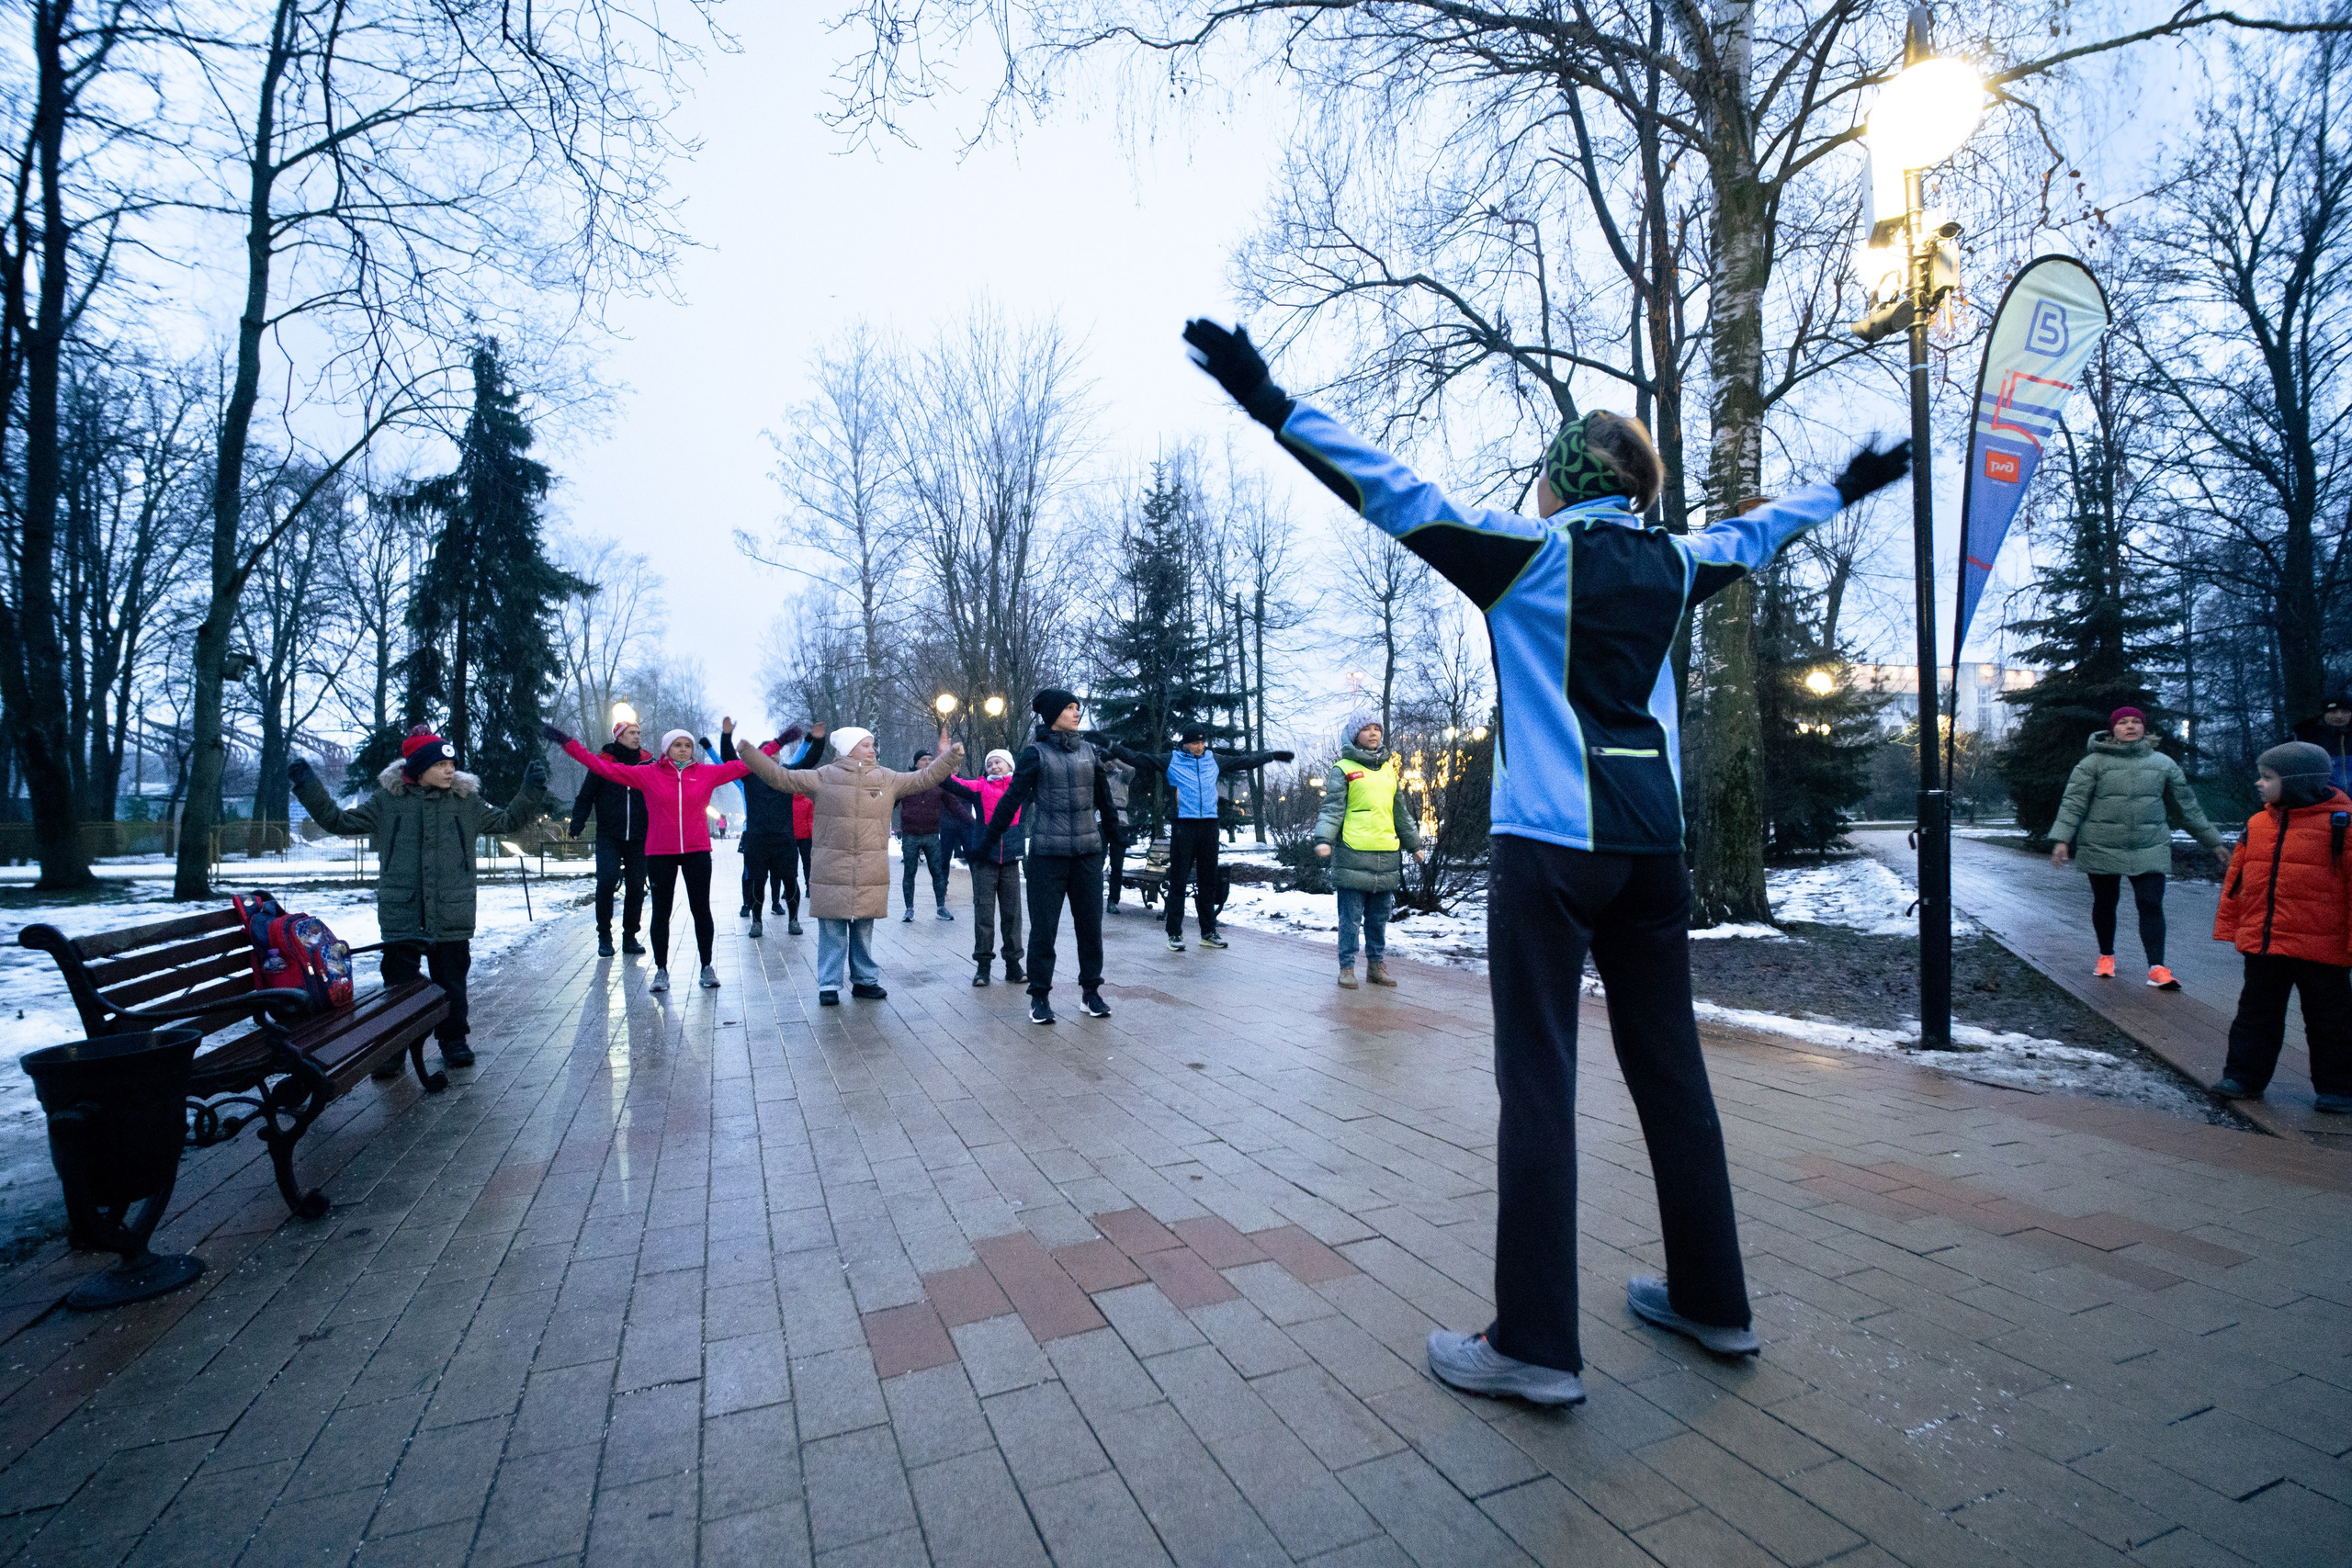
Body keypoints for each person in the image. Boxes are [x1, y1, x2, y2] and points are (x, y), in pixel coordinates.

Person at [1181, 315, 1912, 1407]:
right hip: (1651, 852)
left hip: (1550, 850)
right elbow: (1761, 531)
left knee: (1539, 1084)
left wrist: (1268, 400)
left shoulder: (1524, 556)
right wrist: (1847, 486)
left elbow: (1390, 490)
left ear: (1559, 482)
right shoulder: (1677, 560)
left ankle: (1533, 1343)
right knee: (1673, 1074)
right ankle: (1714, 1302)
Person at [289, 728, 551, 1072]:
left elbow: (507, 820)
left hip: (451, 909)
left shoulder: (466, 800)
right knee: (398, 986)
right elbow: (337, 821)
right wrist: (308, 785)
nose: (449, 770)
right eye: (441, 763)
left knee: (451, 983)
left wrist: (530, 790)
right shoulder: (387, 800)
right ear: (419, 767)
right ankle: (393, 1050)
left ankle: (453, 1040)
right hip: (403, 911)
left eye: (452, 763)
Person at [732, 725, 963, 1004]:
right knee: (832, 930)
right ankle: (829, 985)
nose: (872, 749)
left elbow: (926, 777)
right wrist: (749, 754)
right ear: (848, 748)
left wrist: (949, 756)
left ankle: (865, 981)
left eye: (872, 744)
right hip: (832, 868)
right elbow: (779, 777)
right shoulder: (822, 777)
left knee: (864, 928)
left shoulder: (887, 778)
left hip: (869, 867)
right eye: (866, 744)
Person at [548, 716, 752, 994]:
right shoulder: (648, 773)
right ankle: (661, 970)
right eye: (677, 745)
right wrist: (566, 742)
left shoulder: (705, 773)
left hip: (697, 851)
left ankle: (706, 966)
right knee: (661, 911)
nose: (683, 750)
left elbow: (746, 766)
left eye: (687, 746)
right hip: (660, 851)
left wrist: (775, 745)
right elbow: (599, 766)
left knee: (701, 910)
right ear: (667, 749)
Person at [2211, 740, 2351, 1114]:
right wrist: (2237, 927)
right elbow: (2239, 879)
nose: (2258, 783)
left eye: (2267, 777)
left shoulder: (2342, 825)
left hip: (2323, 947)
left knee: (2330, 1021)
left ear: (2297, 782)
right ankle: (2243, 1077)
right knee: (2255, 1014)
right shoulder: (2259, 823)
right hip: (2265, 942)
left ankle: (2338, 1088)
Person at [2047, 706, 2230, 989]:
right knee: (2106, 903)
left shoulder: (2164, 764)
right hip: (2102, 844)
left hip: (2150, 844)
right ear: (2113, 730)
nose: (2130, 727)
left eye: (2136, 722)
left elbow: (2187, 808)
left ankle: (2157, 967)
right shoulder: (2092, 763)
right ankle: (2106, 956)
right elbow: (2074, 803)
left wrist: (2214, 843)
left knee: (2150, 902)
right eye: (2123, 722)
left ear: (2145, 729)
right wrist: (2062, 840)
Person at [977, 689, 1117, 1025]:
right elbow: (1011, 801)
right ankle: (1039, 997)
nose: (1075, 713)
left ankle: (1091, 993)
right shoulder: (1034, 755)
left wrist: (1115, 837)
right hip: (1046, 856)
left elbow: (1105, 800)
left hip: (1086, 855)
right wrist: (987, 841)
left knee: (1090, 929)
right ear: (1052, 714)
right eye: (1069, 708)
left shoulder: (1089, 753)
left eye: (1077, 708)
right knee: (1044, 931)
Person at [1110, 728, 1292, 951]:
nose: (1200, 746)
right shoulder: (1172, 760)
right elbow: (1139, 758)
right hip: (1184, 825)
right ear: (1185, 744)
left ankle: (1208, 932)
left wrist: (1271, 756)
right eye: (1195, 743)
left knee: (1208, 879)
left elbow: (1244, 761)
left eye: (1203, 742)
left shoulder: (1213, 759)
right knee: (1179, 879)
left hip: (1209, 824)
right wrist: (1112, 748)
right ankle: (1174, 933)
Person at [1316, 718, 1427, 989]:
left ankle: (1376, 966)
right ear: (1355, 736)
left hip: (1386, 854)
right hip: (1353, 853)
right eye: (1366, 729)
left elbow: (1399, 811)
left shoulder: (1389, 770)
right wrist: (1324, 838)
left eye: (1377, 728)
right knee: (1350, 919)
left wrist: (1414, 845)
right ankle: (1347, 968)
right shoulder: (1343, 769)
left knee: (1379, 919)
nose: (1373, 733)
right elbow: (1333, 808)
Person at [943, 749, 1027, 986]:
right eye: (989, 764)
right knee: (984, 914)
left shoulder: (1021, 788)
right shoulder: (979, 787)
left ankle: (1013, 965)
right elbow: (949, 782)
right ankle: (983, 967)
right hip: (984, 860)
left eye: (999, 762)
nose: (994, 767)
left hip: (1011, 860)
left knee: (1012, 915)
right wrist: (946, 758)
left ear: (1010, 765)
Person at [570, 715, 650, 958]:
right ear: (619, 737)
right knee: (607, 880)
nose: (637, 737)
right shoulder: (602, 765)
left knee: (637, 886)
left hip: (639, 836)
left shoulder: (647, 763)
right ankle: (604, 935)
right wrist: (577, 823)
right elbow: (586, 796)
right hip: (609, 835)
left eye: (638, 733)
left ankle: (630, 937)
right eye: (631, 733)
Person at [718, 727, 803, 937]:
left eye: (775, 753)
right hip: (757, 839)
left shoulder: (787, 775)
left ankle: (794, 920)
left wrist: (815, 740)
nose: (772, 756)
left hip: (784, 838)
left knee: (790, 880)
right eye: (767, 752)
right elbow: (729, 758)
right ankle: (756, 922)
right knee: (757, 881)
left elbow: (808, 761)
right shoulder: (748, 776)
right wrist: (726, 736)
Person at [897, 750, 955, 922]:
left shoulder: (939, 782)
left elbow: (954, 805)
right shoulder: (906, 782)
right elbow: (891, 802)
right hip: (910, 835)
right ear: (916, 763)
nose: (928, 762)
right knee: (909, 872)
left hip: (931, 835)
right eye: (923, 759)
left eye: (930, 759)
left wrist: (971, 822)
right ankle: (909, 909)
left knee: (937, 872)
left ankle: (941, 907)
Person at [2293, 694, 2352, 794]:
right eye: (2333, 712)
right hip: (2322, 801)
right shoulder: (2306, 736)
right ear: (2324, 713)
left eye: (2345, 711)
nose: (2339, 716)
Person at [1102, 753, 1137, 910]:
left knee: (1117, 864)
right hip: (1100, 820)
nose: (1108, 763)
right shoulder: (1099, 777)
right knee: (1097, 861)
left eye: (1111, 761)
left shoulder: (1123, 776)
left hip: (1120, 821)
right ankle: (1094, 897)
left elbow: (1131, 770)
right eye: (1106, 761)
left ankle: (1113, 900)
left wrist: (1116, 758)